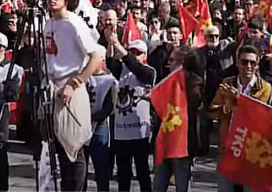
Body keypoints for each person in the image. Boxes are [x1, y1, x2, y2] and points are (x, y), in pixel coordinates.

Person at [38, 0, 107, 192]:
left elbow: (96, 56)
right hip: (51, 88)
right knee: (57, 151)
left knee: (73, 150)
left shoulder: (74, 23)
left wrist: (75, 83)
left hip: (70, 89)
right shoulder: (48, 24)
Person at [210, 45, 272, 192]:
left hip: (251, 151)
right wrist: (227, 108)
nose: (248, 66)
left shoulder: (265, 88)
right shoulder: (227, 83)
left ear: (257, 66)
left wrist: (239, 102)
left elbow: (260, 116)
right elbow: (211, 112)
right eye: (244, 62)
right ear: (237, 63)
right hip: (227, 147)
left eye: (253, 63)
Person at [153, 45, 207, 192]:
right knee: (159, 183)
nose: (168, 63)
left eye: (172, 60)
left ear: (181, 62)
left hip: (183, 141)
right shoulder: (167, 80)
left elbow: (193, 104)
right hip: (165, 137)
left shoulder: (195, 82)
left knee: (182, 184)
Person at [111, 40, 155, 192]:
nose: (135, 56)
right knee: (123, 173)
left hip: (139, 131)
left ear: (145, 55)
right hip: (121, 130)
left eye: (138, 53)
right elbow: (110, 61)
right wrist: (111, 42)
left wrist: (117, 44)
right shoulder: (121, 70)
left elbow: (136, 68)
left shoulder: (149, 71)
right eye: (132, 52)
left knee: (142, 170)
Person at [84, 63, 117, 192]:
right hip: (82, 126)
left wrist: (94, 117)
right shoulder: (82, 77)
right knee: (81, 166)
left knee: (101, 167)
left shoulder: (109, 81)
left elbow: (111, 106)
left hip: (99, 127)